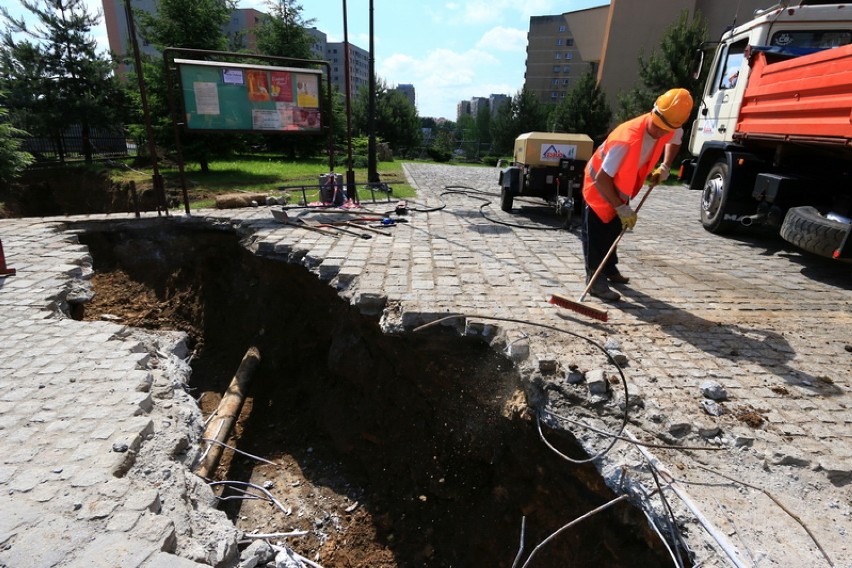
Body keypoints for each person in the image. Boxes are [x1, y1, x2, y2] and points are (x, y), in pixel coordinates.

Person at [581, 88, 694, 301]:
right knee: (596, 233)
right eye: (658, 127)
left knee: (614, 228)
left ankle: (610, 269)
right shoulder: (626, 139)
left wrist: (666, 166)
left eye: (666, 130)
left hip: (622, 183)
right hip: (598, 184)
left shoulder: (671, 124)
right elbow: (602, 179)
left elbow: (675, 140)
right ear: (654, 111)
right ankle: (594, 281)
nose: (661, 133)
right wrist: (621, 207)